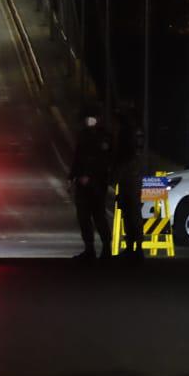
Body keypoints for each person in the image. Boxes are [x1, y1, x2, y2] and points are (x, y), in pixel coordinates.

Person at [70, 111, 113, 260]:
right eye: (88, 118)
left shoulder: (104, 137)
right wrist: (73, 176)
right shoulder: (82, 135)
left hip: (97, 183)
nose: (91, 121)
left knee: (99, 215)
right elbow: (77, 157)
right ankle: (89, 249)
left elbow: (103, 160)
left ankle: (107, 249)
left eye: (94, 117)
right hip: (82, 184)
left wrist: (91, 176)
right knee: (83, 217)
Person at [114, 119, 145, 263]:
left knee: (133, 214)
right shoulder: (125, 144)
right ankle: (131, 247)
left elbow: (136, 159)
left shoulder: (134, 141)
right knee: (128, 214)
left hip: (132, 180)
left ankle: (137, 248)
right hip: (127, 179)